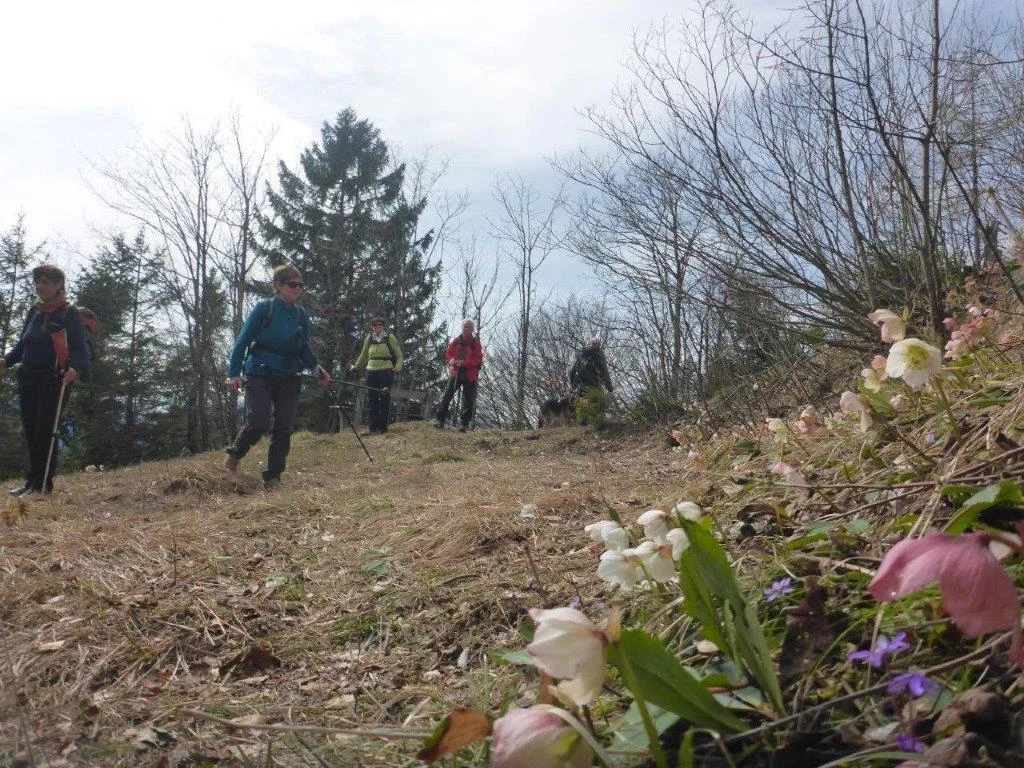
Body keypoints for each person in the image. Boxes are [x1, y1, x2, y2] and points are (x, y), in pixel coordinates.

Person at [224, 264, 331, 489]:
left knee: (284, 425)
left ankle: (273, 477)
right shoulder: (264, 309)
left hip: (289, 375)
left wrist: (316, 369)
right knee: (258, 420)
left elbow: (304, 348)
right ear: (278, 286)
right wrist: (234, 373)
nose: (297, 288)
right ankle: (234, 455)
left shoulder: (302, 315)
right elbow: (242, 341)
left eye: (301, 285)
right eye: (292, 284)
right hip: (260, 372)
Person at [0, 265, 90, 496]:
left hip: (54, 379)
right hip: (28, 377)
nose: (40, 287)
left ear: (59, 285)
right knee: (31, 429)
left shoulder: (70, 313)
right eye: (38, 283)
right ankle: (32, 482)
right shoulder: (35, 311)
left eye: (46, 282)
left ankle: (43, 484)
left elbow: (81, 348)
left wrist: (74, 369)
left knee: (45, 430)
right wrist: (6, 360)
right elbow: (23, 343)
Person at [349, 317, 403, 435]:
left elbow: (399, 355)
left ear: (383, 326)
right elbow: (363, 355)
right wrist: (356, 367)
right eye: (375, 325)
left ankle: (383, 429)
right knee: (372, 400)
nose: (377, 327)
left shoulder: (390, 338)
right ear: (372, 327)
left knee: (384, 399)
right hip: (371, 371)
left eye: (380, 324)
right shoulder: (369, 339)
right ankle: (372, 428)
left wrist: (398, 366)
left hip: (386, 371)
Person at [435, 318, 484, 432]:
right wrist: (452, 360)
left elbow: (479, 360)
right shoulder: (456, 341)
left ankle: (464, 424)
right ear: (462, 328)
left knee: (468, 400)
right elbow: (448, 354)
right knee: (447, 396)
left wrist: (465, 363)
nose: (467, 329)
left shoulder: (475, 343)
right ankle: (440, 420)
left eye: (469, 327)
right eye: (465, 327)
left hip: (470, 374)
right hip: (456, 372)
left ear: (472, 329)